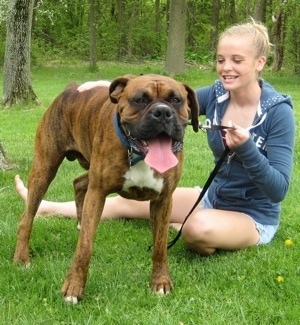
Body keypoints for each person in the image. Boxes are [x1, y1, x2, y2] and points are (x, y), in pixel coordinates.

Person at [15, 20, 295, 255]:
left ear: (260, 62)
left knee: (196, 230)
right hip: (212, 197)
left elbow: (279, 190)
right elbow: (165, 99)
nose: (226, 67)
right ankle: (47, 207)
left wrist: (246, 148)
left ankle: (192, 224)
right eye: (221, 60)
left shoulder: (277, 112)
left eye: (237, 60)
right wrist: (110, 87)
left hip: (253, 214)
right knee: (130, 200)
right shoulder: (218, 94)